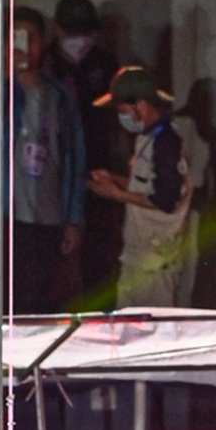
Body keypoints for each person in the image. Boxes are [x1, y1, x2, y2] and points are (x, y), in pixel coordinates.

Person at [88, 66, 192, 305]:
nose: (121, 116)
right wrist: (113, 179)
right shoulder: (148, 138)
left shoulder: (167, 143)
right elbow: (145, 185)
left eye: (122, 110)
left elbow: (166, 199)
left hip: (155, 263)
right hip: (137, 258)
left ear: (140, 106)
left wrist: (116, 194)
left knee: (154, 325)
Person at [9, 5, 84, 313]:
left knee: (37, 299)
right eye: (16, 37)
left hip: (47, 214)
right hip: (5, 213)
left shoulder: (60, 96)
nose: (25, 46)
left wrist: (73, 219)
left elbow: (74, 158)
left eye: (32, 38)